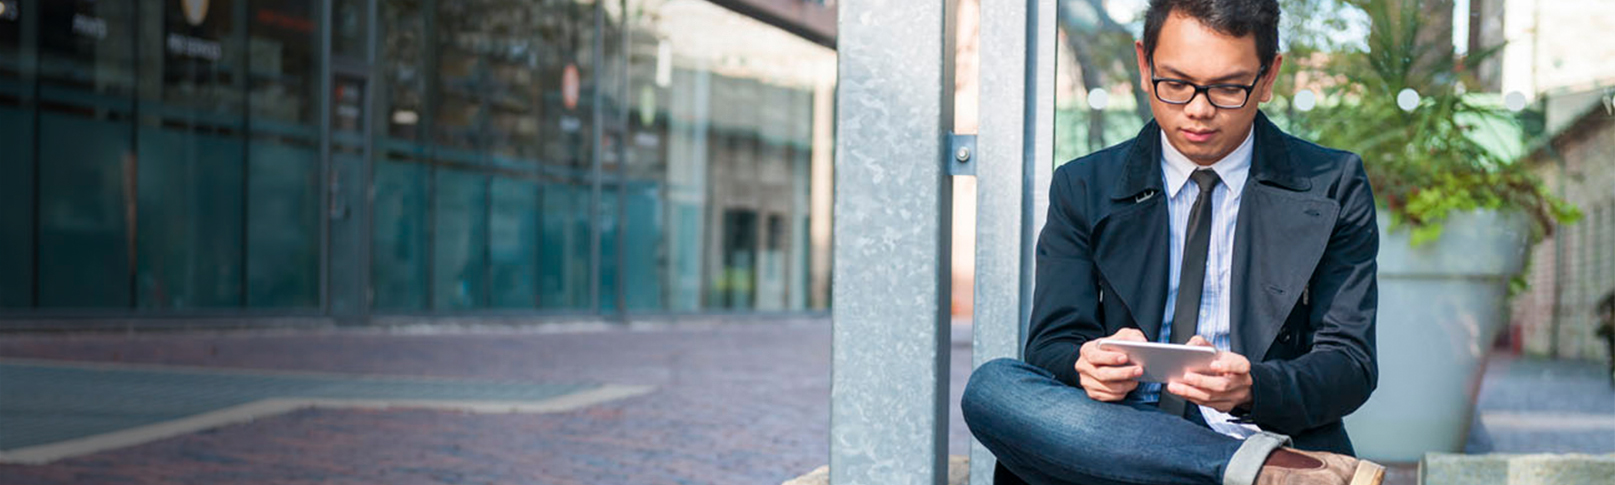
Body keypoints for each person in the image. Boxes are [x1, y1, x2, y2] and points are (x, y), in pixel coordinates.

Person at [960, 1, 1385, 484]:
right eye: (1176, 84)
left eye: (1228, 88)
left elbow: (1349, 365)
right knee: (992, 386)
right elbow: (1052, 347)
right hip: (1117, 432)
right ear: (1145, 65)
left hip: (1254, 427)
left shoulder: (1331, 183)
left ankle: (1232, 462)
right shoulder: (1084, 185)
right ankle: (1247, 473)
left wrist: (1252, 387)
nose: (1199, 110)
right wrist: (1088, 364)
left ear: (1268, 78)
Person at [1596, 290, 1614, 385]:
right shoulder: (1612, 296)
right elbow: (1600, 307)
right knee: (1612, 355)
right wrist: (1607, 318)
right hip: (1612, 331)